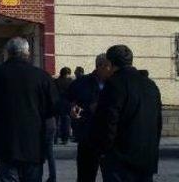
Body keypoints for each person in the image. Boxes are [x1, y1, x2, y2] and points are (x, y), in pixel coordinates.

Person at [0, 37, 58, 182]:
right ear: (27, 53)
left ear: (8, 53)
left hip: (4, 143)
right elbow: (53, 108)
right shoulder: (41, 76)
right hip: (33, 145)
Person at [89, 45, 162, 182]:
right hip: (146, 157)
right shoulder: (150, 85)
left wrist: (104, 150)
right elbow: (158, 122)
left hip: (121, 160)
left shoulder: (114, 84)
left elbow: (109, 121)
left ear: (110, 64)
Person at [68, 53, 113, 182]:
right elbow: (66, 100)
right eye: (109, 66)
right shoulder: (82, 83)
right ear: (100, 66)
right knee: (85, 176)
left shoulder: (115, 83)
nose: (112, 70)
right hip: (88, 137)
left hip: (109, 139)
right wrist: (76, 109)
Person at [54, 67, 73, 145]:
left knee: (56, 121)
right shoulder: (70, 82)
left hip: (57, 103)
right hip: (67, 103)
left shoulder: (56, 81)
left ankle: (55, 138)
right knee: (66, 121)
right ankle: (65, 138)